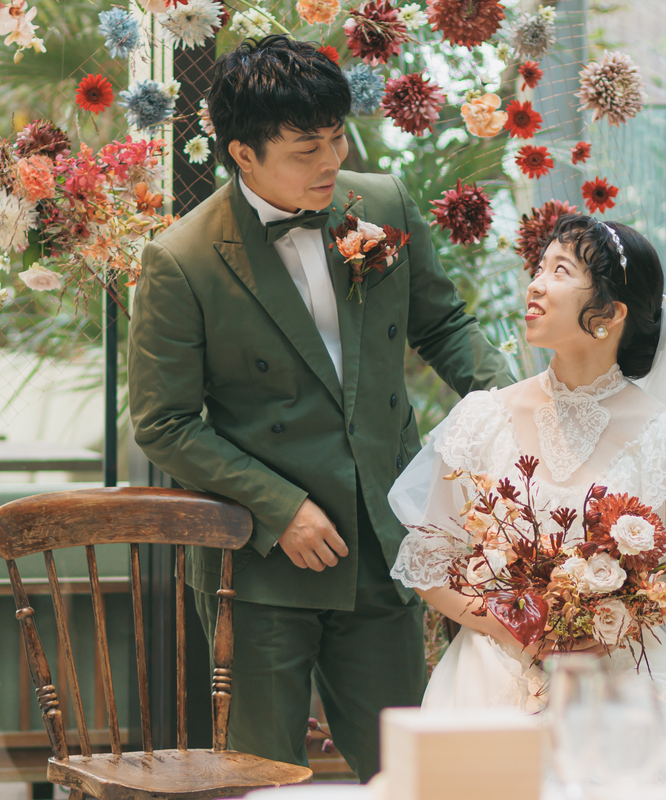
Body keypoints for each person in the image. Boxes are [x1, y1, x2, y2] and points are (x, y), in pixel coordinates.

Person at [127, 35, 514, 780]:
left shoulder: (382, 204)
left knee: (406, 771)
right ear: (243, 154)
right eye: (306, 150)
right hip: (261, 563)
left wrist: (518, 407)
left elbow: (444, 326)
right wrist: (281, 509)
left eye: (336, 138)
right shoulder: (181, 259)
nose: (331, 161)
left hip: (385, 533)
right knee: (263, 775)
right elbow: (163, 423)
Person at [388, 214, 666, 781]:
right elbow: (429, 565)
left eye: (560, 270)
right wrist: (513, 626)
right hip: (491, 686)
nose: (534, 284)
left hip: (627, 699)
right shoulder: (482, 419)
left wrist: (616, 620)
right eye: (538, 267)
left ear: (610, 313)